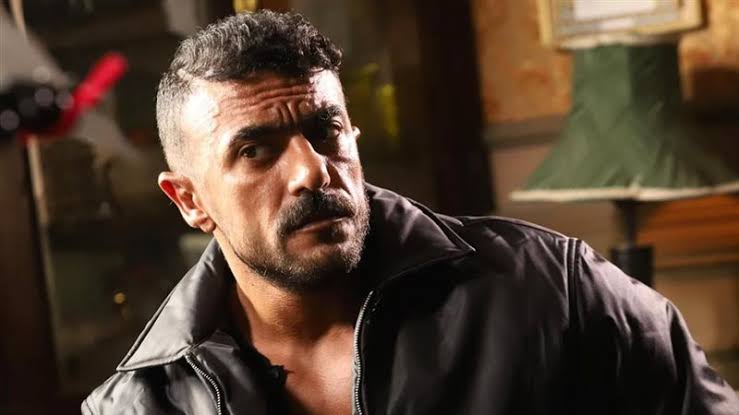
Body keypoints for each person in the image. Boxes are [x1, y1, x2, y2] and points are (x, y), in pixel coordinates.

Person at [83, 10, 738, 415]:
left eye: (325, 131)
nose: (312, 171)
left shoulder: (553, 288)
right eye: (256, 151)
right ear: (190, 200)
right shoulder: (135, 406)